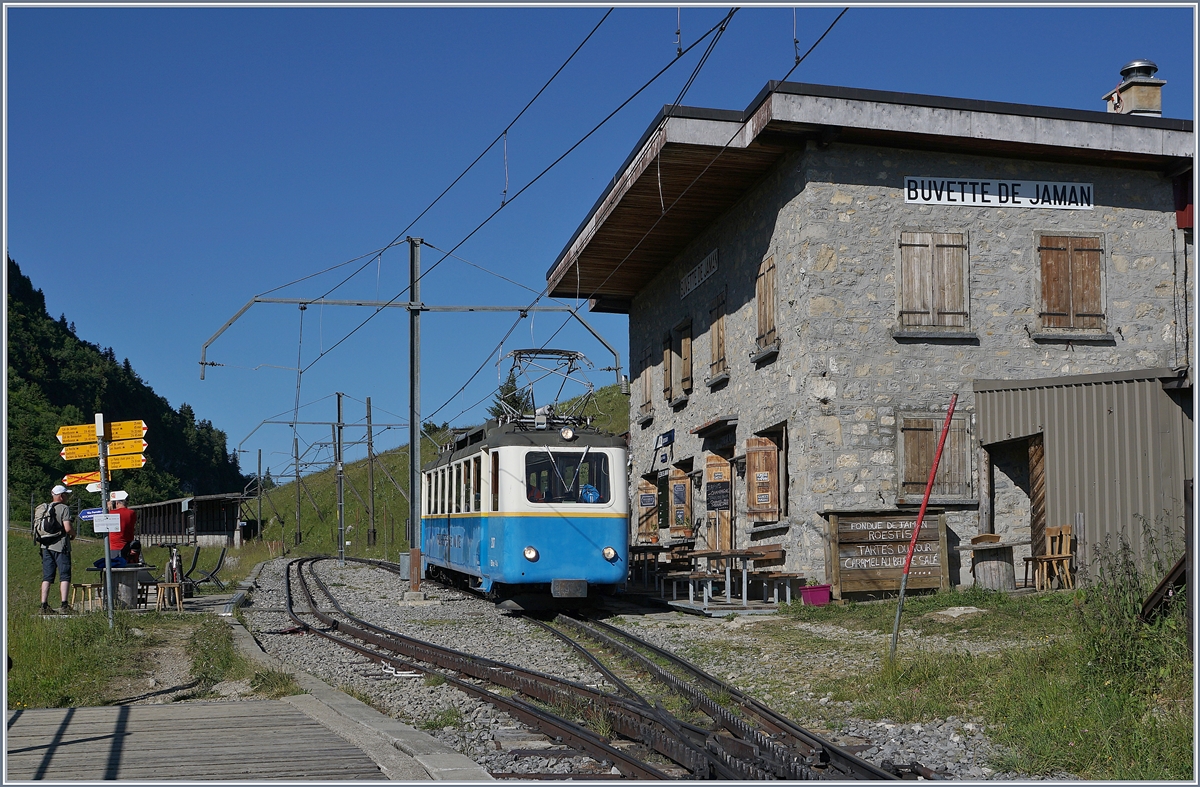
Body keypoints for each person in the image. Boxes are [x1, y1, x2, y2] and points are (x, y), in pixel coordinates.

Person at [37, 485, 75, 615]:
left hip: (45, 546)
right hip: (61, 546)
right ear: (61, 496)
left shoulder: (45, 508)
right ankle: (64, 604)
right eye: (65, 494)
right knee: (64, 575)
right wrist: (74, 534)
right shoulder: (64, 508)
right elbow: (67, 528)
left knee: (47, 576)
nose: (67, 497)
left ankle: (43, 605)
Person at [106, 491, 137, 567]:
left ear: (116, 503)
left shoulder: (112, 513)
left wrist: (109, 510)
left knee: (115, 568)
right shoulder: (132, 513)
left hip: (115, 546)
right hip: (128, 545)